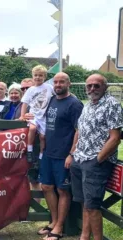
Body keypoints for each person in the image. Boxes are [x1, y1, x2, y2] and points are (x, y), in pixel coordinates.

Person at [27, 72, 83, 240]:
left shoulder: (74, 104)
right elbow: (38, 115)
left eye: (62, 82)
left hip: (63, 155)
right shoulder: (51, 99)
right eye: (56, 82)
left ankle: (59, 227)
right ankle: (54, 221)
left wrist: (71, 154)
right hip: (48, 153)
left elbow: (79, 130)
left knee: (63, 190)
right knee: (46, 187)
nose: (58, 85)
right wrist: (27, 115)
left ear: (69, 83)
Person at [70, 74, 122, 240]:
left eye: (96, 86)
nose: (92, 89)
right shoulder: (88, 105)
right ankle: (84, 236)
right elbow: (80, 130)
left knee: (93, 206)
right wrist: (72, 153)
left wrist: (97, 160)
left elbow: (115, 137)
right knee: (84, 202)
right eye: (89, 86)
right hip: (79, 158)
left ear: (104, 87)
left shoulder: (112, 105)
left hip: (95, 162)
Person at [20, 65, 54, 162]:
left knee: (43, 137)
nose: (38, 77)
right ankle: (29, 150)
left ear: (44, 77)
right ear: (32, 76)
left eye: (40, 75)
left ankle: (41, 156)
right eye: (36, 75)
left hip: (44, 116)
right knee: (33, 128)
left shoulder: (49, 87)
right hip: (34, 115)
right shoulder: (31, 90)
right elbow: (24, 103)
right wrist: (22, 115)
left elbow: (56, 96)